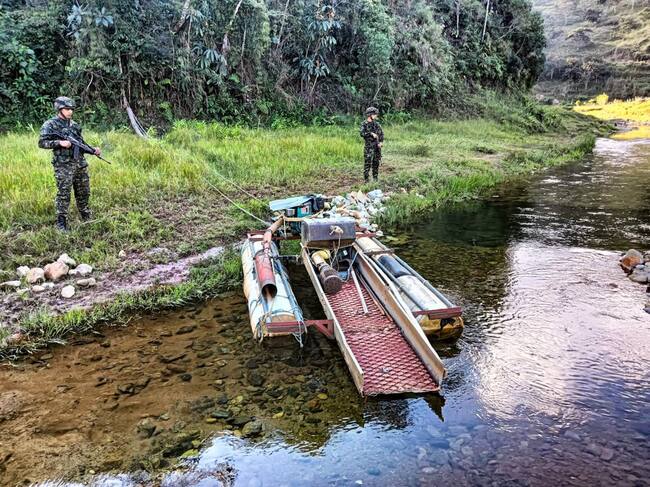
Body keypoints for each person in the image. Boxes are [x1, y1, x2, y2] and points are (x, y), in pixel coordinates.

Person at [38, 96, 100, 231]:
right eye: (67, 109)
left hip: (80, 164)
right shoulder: (50, 124)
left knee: (84, 191)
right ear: (59, 109)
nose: (70, 111)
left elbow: (81, 143)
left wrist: (92, 150)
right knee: (64, 193)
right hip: (63, 166)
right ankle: (62, 222)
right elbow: (42, 143)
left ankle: (85, 215)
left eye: (71, 109)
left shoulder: (75, 125)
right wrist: (59, 143)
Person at [359, 106, 384, 182]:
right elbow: (362, 133)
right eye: (374, 114)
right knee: (367, 164)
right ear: (370, 115)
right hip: (369, 147)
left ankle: (375, 179)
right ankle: (366, 180)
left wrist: (381, 142)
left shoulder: (376, 124)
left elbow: (381, 134)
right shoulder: (364, 124)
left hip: (376, 147)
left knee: (376, 163)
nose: (376, 116)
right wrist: (371, 134)